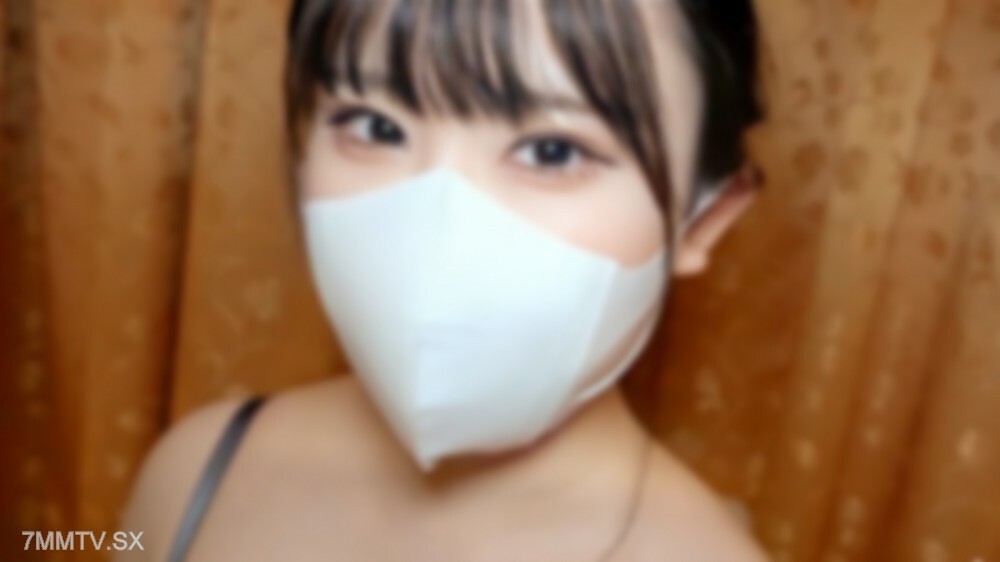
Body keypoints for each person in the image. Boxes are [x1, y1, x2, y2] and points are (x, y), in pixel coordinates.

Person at [118, 0, 768, 560]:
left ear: (703, 220)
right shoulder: (193, 472)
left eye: (553, 151)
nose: (436, 228)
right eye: (376, 127)